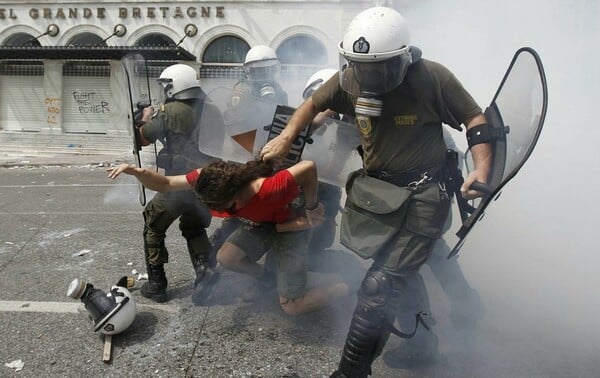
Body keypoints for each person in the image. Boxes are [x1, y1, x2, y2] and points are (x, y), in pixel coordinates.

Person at [260, 7, 492, 377]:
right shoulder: (351, 77)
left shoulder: (432, 77)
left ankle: (352, 371)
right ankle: (425, 341)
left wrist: (481, 168)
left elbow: (476, 120)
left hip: (423, 196)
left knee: (379, 285)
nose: (365, 76)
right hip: (381, 197)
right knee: (407, 272)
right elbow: (313, 103)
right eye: (358, 65)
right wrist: (290, 134)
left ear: (402, 57)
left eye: (376, 67)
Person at [108, 159, 351, 316]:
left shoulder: (267, 188)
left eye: (226, 207)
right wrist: (137, 172)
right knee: (227, 257)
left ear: (235, 197)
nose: (222, 212)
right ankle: (269, 280)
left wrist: (312, 207)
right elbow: (167, 183)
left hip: (291, 228)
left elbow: (308, 167)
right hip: (263, 224)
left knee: (293, 306)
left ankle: (349, 288)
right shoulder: (211, 179)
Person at [134, 63, 222, 305]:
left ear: (173, 87)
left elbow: (142, 138)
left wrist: (143, 119)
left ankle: (156, 284)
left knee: (153, 223)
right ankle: (206, 276)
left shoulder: (170, 110)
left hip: (178, 183)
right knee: (194, 227)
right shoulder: (213, 110)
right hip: (206, 183)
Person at [209, 45, 289, 270]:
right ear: (248, 72)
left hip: (266, 156)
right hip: (245, 156)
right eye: (258, 71)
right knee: (238, 208)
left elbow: (281, 122)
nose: (264, 76)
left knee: (259, 208)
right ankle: (216, 253)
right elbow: (235, 129)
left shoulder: (278, 90)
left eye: (267, 70)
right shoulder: (242, 92)